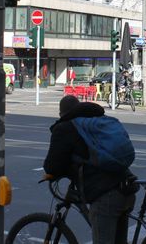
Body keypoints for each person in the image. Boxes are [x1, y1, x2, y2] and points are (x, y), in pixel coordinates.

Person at [44, 96, 136, 244]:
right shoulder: (96, 121)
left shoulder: (66, 128)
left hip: (106, 195)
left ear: (61, 114)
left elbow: (52, 166)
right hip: (126, 187)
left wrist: (60, 171)